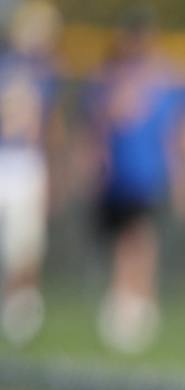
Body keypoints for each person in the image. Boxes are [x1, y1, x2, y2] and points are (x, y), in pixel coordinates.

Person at [81, 9, 185, 355]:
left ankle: (139, 304)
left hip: (147, 175)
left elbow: (182, 131)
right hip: (118, 178)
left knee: (139, 239)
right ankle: (125, 303)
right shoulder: (107, 78)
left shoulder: (167, 80)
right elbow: (98, 132)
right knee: (124, 240)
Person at [0, 0, 58, 346]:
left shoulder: (42, 72)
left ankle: (20, 312)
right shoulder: (24, 70)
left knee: (25, 244)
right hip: (10, 157)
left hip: (24, 161)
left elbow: (45, 126)